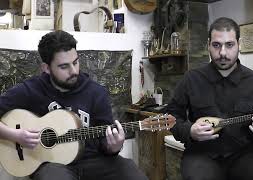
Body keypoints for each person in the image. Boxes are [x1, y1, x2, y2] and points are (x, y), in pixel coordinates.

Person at [0, 30, 148, 180]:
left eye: (75, 62)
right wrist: (16, 135)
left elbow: (105, 142)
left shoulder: (96, 92)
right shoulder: (31, 89)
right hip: (52, 164)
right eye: (64, 67)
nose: (74, 71)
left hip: (93, 161)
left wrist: (114, 147)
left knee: (131, 172)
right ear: (46, 68)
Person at [166, 17, 253, 180]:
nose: (222, 53)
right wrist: (190, 131)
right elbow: (171, 118)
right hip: (202, 153)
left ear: (239, 44)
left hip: (244, 154)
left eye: (229, 45)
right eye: (216, 45)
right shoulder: (191, 79)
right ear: (208, 44)